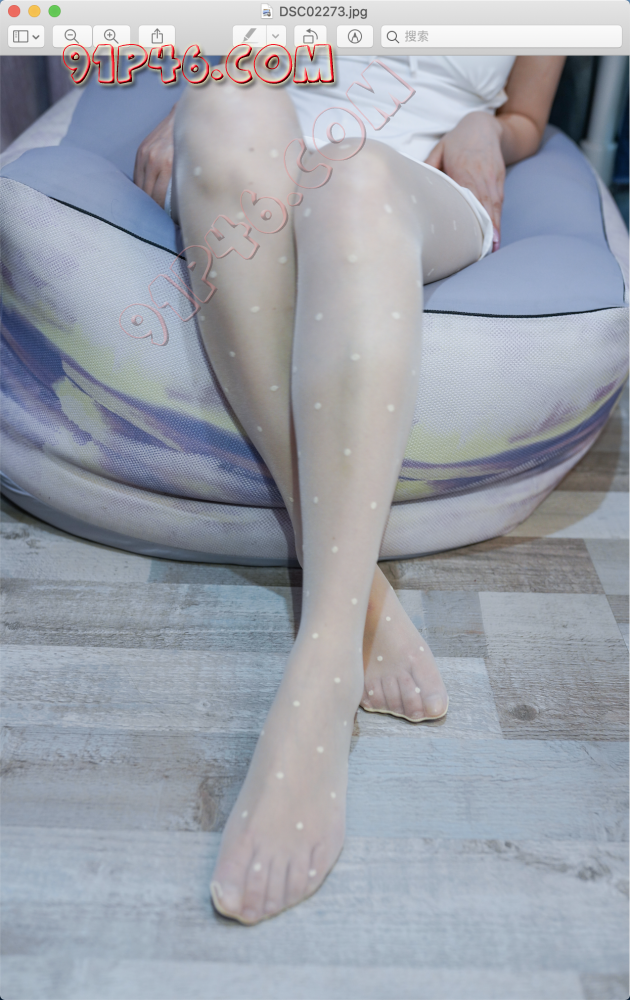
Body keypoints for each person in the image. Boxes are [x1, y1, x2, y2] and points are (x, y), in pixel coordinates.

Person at [133, 54, 565, 925]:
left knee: (351, 173)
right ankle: (358, 597)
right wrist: (195, 108)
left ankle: (322, 673)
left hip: (408, 181)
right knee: (225, 97)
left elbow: (526, 117)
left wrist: (489, 129)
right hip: (262, 153)